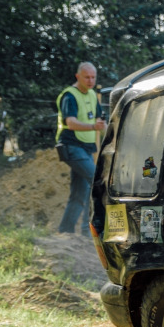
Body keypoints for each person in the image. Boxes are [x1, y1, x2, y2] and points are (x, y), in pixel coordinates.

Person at [56, 61, 106, 235]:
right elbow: (70, 123)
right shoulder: (69, 96)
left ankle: (65, 232)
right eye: (87, 77)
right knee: (95, 180)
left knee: (79, 191)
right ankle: (87, 230)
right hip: (71, 146)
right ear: (78, 77)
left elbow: (100, 121)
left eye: (93, 77)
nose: (91, 80)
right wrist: (93, 127)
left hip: (85, 148)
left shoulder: (92, 95)